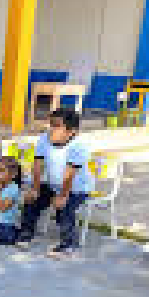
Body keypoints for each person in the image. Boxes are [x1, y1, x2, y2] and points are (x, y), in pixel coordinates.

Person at [16, 109, 94, 259]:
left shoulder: (78, 146)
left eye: (57, 126)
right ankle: (26, 233)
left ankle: (69, 244)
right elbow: (38, 164)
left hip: (76, 188)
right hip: (53, 184)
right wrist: (35, 188)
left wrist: (63, 196)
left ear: (71, 132)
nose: (51, 129)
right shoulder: (44, 139)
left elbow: (69, 174)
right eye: (51, 124)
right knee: (32, 200)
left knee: (65, 209)